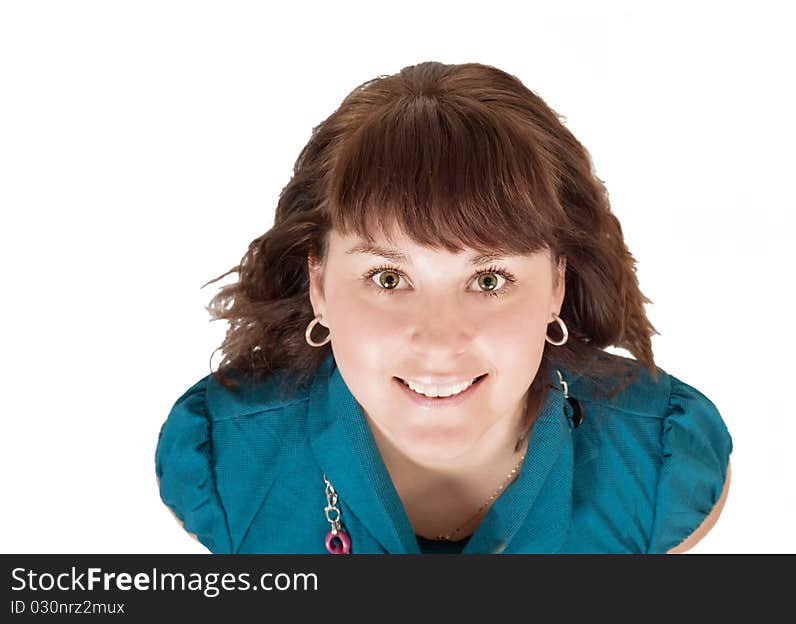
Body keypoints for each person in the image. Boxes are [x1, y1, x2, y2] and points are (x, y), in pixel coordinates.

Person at [154, 61, 733, 554]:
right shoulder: (222, 461)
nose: (438, 342)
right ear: (320, 285)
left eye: (487, 279)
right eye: (388, 277)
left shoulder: (663, 463)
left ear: (557, 283)